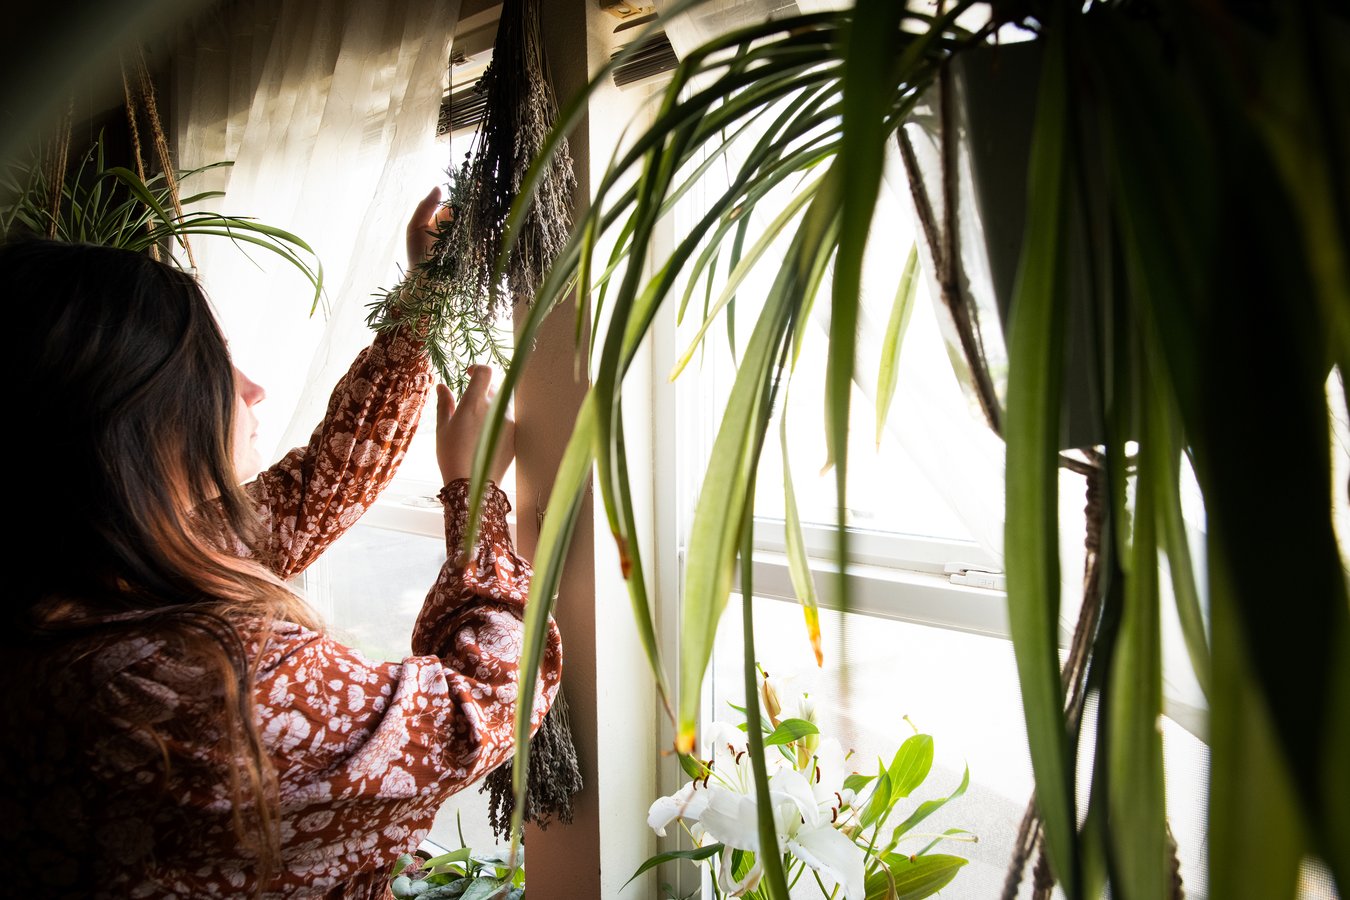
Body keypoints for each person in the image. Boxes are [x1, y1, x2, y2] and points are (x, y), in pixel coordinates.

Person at [0, 189, 561, 898]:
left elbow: (317, 488)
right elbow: (480, 706)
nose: (254, 389)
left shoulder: (80, 573)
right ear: (134, 425)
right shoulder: (197, 685)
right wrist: (476, 498)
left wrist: (423, 303)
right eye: (212, 369)